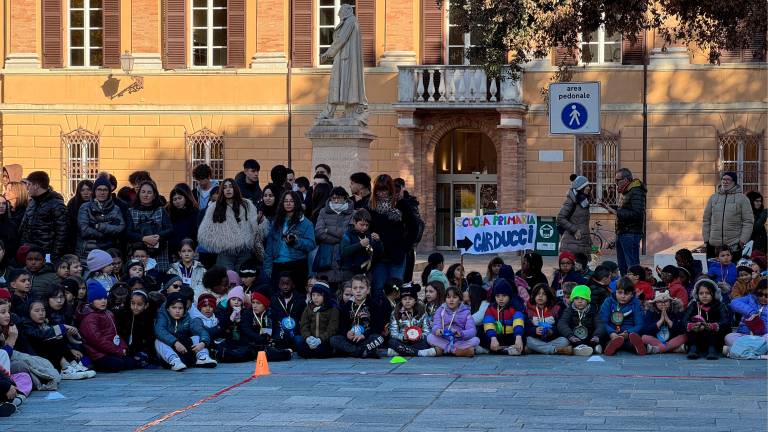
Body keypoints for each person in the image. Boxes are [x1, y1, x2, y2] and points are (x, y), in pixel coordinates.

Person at [197, 178, 265, 271]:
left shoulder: (246, 204)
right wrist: (221, 243)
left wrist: (259, 222)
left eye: (230, 187)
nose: (228, 189)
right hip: (226, 252)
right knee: (227, 280)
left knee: (243, 281)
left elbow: (254, 227)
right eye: (225, 188)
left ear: (235, 189)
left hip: (244, 251)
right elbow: (204, 233)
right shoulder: (214, 207)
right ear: (222, 191)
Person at [367, 174, 416, 298]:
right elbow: (365, 226)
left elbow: (413, 228)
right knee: (378, 286)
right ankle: (380, 315)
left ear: (391, 190)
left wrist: (405, 247)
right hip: (379, 255)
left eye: (385, 190)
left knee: (395, 287)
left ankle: (395, 315)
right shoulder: (370, 205)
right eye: (378, 190)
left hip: (397, 253)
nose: (381, 194)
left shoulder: (401, 204)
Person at [19, 299, 93, 379]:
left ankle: (73, 364)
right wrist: (62, 327)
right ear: (28, 312)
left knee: (58, 338)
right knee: (51, 341)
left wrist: (68, 334)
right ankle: (65, 369)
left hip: (51, 357)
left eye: (43, 310)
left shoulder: (46, 323)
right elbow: (40, 335)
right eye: (36, 311)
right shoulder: (26, 325)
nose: (41, 313)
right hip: (37, 358)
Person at [78, 282, 137, 372]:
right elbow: (97, 341)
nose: (103, 301)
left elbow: (116, 333)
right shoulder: (89, 318)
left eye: (105, 298)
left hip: (111, 350)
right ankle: (94, 365)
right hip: (98, 354)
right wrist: (118, 351)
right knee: (117, 364)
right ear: (91, 301)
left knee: (131, 363)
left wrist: (123, 347)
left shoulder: (108, 313)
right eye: (99, 299)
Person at [264, 191, 316, 289]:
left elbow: (311, 245)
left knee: (297, 298)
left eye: (291, 201)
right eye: (286, 201)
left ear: (296, 203)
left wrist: (296, 242)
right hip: (278, 265)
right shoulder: (276, 222)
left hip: (297, 264)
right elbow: (269, 248)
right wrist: (268, 269)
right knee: (277, 297)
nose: (288, 203)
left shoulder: (306, 223)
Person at [599, 168, 646, 275]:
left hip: (630, 233)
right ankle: (625, 289)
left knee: (632, 267)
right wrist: (609, 207)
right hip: (622, 232)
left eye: (617, 180)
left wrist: (616, 212)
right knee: (622, 266)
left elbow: (637, 214)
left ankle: (633, 289)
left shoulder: (636, 191)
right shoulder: (626, 191)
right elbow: (625, 208)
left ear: (626, 180)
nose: (616, 183)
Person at [154, 292, 217, 371]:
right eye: (174, 307)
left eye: (180, 308)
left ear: (184, 309)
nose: (177, 311)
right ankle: (174, 361)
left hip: (185, 352)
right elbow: (159, 330)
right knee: (158, 341)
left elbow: (200, 330)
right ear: (168, 308)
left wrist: (203, 342)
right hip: (168, 355)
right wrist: (175, 342)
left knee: (197, 337)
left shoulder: (187, 317)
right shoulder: (162, 316)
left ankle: (203, 357)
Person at [702, 172, 753, 261]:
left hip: (733, 245)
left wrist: (742, 241)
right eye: (723, 179)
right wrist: (706, 240)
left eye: (728, 179)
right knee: (714, 272)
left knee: (732, 273)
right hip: (714, 245)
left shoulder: (742, 199)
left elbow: (748, 221)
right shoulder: (713, 198)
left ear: (734, 182)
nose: (725, 182)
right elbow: (706, 220)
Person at [331, 275, 385, 358]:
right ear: (352, 291)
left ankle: (354, 351)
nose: (358, 291)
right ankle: (361, 351)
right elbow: (342, 326)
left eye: (361, 288)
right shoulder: (346, 306)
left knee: (379, 338)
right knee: (334, 340)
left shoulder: (374, 305)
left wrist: (364, 335)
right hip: (351, 339)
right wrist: (347, 333)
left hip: (365, 338)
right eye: (355, 288)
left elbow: (378, 326)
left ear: (368, 290)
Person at [126, 181, 173, 272]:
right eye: (143, 192)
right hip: (138, 254)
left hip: (159, 253)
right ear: (138, 194)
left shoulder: (161, 210)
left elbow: (170, 229)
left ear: (154, 195)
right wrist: (143, 238)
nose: (146, 195)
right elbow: (128, 233)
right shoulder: (131, 211)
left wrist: (158, 237)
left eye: (149, 192)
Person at [19, 171, 68, 259]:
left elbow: (62, 233)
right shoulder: (32, 203)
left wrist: (53, 255)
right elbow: (23, 227)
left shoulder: (56, 204)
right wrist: (23, 245)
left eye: (29, 184)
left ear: (36, 186)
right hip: (29, 252)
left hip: (47, 254)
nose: (27, 188)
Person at [314, 187, 354, 288]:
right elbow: (319, 232)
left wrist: (329, 231)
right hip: (326, 258)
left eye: (339, 198)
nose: (336, 201)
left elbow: (351, 234)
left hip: (346, 258)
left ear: (345, 198)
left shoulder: (353, 213)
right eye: (333, 198)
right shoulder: (323, 211)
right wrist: (340, 240)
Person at [684, 278, 731, 360]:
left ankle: (712, 349)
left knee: (714, 331)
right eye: (701, 293)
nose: (704, 296)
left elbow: (726, 321)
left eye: (708, 293)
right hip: (698, 335)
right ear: (697, 295)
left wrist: (713, 326)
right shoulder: (694, 305)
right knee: (691, 330)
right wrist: (693, 326)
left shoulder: (720, 305)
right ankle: (694, 348)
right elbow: (684, 320)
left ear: (714, 294)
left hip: (714, 337)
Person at [240, 291, 293, 362]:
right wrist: (259, 338)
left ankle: (286, 353)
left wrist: (274, 339)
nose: (254, 306)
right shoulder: (247, 313)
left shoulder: (271, 313)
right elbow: (246, 329)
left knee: (270, 352)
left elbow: (279, 329)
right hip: (253, 344)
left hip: (269, 344)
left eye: (258, 303)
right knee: (244, 353)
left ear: (265, 304)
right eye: (253, 302)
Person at [427, 286, 479, 357]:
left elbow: (472, 330)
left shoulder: (466, 312)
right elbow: (436, 324)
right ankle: (456, 351)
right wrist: (437, 330)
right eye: (448, 297)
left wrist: (461, 334)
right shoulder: (440, 310)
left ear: (460, 300)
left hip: (459, 340)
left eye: (454, 297)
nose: (451, 300)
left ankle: (444, 350)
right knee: (430, 337)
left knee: (476, 340)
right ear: (445, 299)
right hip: (444, 339)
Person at [600, 277, 646, 356]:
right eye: (620, 292)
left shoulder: (636, 303)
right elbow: (603, 320)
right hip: (611, 332)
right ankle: (613, 344)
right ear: (615, 292)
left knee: (633, 339)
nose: (623, 296)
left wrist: (628, 333)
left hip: (628, 333)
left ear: (632, 294)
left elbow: (640, 324)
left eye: (627, 293)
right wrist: (611, 332)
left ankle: (617, 345)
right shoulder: (608, 301)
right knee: (603, 336)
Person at [557, 285, 605, 356]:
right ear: (573, 300)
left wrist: (597, 336)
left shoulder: (593, 310)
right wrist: (570, 336)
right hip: (574, 338)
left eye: (583, 299)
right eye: (576, 299)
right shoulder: (569, 311)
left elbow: (600, 324)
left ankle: (595, 347)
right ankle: (580, 349)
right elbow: (562, 323)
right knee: (566, 341)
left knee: (602, 337)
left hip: (590, 337)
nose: (579, 301)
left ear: (588, 300)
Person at [724, 279, 767, 356]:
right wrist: (751, 312)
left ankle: (735, 350)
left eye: (767, 295)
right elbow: (734, 303)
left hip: (762, 336)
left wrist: (759, 325)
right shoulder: (750, 298)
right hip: (745, 335)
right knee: (728, 337)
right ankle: (757, 351)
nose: (763, 297)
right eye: (760, 294)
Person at [524, 283, 570, 355]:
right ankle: (555, 350)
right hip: (536, 339)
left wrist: (551, 331)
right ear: (534, 295)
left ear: (548, 296)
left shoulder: (556, 309)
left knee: (565, 341)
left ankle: (537, 350)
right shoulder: (528, 309)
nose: (540, 296)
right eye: (538, 294)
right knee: (528, 340)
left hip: (551, 339)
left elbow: (560, 326)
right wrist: (534, 330)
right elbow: (525, 328)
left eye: (544, 294)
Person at [481, 280, 525, 355]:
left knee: (523, 337)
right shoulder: (491, 308)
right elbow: (488, 323)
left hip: (511, 335)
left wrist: (518, 337)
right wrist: (493, 338)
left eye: (504, 296)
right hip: (497, 336)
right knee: (482, 334)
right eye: (497, 296)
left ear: (509, 296)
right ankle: (507, 349)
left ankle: (502, 349)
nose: (500, 299)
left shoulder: (514, 307)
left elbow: (518, 322)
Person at [116, 289, 157, 368]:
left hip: (141, 349)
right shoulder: (123, 315)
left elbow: (149, 339)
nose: (135, 307)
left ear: (146, 305)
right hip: (125, 349)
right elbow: (119, 334)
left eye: (139, 304)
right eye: (133, 303)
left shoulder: (148, 318)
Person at [297, 282, 339, 359]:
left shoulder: (332, 309)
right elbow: (304, 325)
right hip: (311, 340)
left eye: (319, 295)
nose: (315, 298)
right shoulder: (308, 308)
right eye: (313, 295)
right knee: (299, 344)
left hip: (324, 340)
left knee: (322, 351)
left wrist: (320, 339)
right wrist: (308, 338)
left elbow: (332, 329)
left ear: (325, 296)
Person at [340, 209, 382, 281]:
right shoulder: (348, 235)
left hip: (366, 272)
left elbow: (379, 253)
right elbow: (343, 252)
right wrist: (359, 244)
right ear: (354, 222)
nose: (364, 227)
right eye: (361, 224)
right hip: (349, 272)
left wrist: (378, 241)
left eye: (367, 225)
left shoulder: (369, 235)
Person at [641, 290, 687, 354]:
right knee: (644, 337)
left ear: (670, 302)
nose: (663, 304)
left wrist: (668, 321)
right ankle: (673, 349)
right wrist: (660, 321)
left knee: (684, 336)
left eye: (666, 301)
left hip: (672, 340)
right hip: (656, 340)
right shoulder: (650, 311)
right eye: (659, 302)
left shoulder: (676, 310)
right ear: (655, 303)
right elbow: (645, 330)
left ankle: (656, 349)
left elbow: (682, 329)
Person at [269, 272, 306, 351]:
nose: (285, 286)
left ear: (293, 285)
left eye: (287, 283)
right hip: (279, 332)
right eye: (282, 284)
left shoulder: (300, 299)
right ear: (279, 285)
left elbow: (304, 318)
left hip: (296, 332)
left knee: (299, 341)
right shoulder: (274, 299)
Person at [557, 174, 592, 256]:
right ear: (580, 187)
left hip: (582, 244)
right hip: (571, 243)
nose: (588, 188)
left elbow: (583, 224)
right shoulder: (571, 201)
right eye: (586, 185)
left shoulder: (583, 202)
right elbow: (560, 218)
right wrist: (575, 230)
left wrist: (589, 241)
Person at [166, 185, 199, 259]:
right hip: (174, 253)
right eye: (174, 199)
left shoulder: (194, 213)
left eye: (180, 198)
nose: (177, 201)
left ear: (185, 198)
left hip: (191, 252)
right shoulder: (170, 214)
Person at [65, 179, 93, 252]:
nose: (85, 193)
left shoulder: (97, 203)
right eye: (82, 190)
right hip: (76, 242)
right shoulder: (72, 203)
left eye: (89, 190)